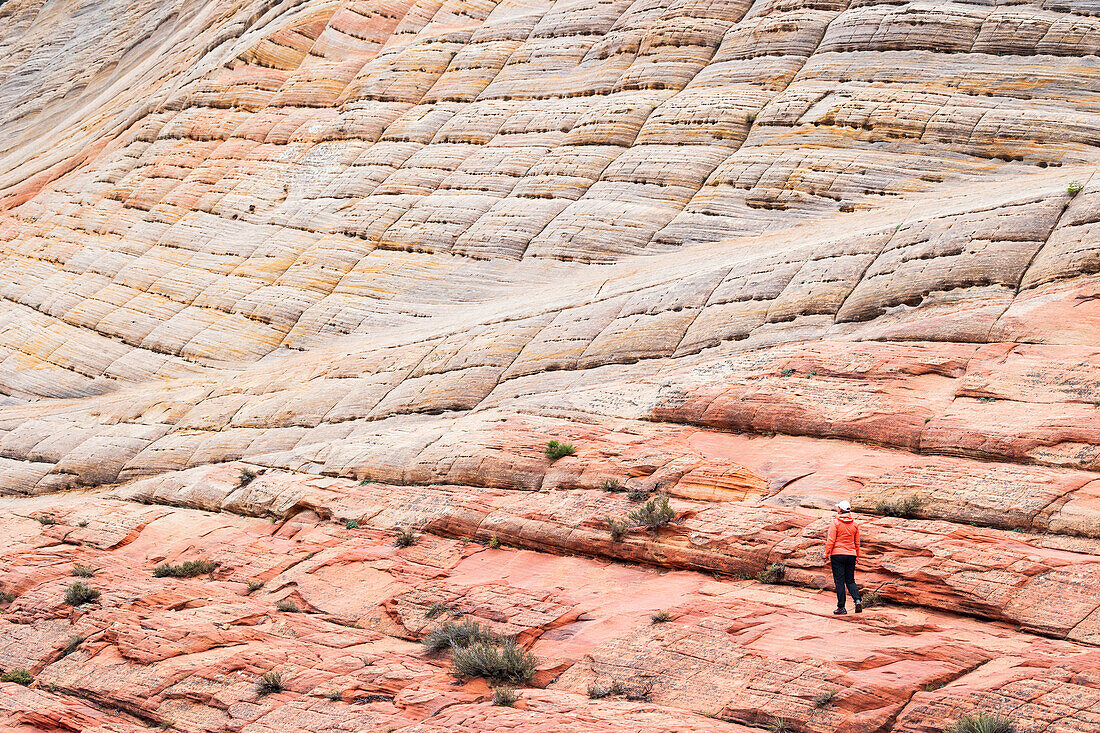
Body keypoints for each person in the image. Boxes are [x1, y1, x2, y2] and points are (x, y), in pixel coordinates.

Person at [824, 500, 862, 615]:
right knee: (850, 580)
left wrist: (826, 553)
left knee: (840, 581)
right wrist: (857, 556)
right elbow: (857, 543)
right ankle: (857, 600)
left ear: (840, 509)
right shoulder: (854, 524)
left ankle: (841, 607)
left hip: (838, 554)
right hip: (851, 554)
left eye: (838, 508)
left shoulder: (835, 522)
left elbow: (831, 540)